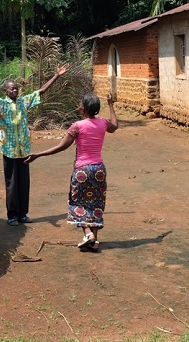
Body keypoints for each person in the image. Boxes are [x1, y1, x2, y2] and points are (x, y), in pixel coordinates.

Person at [24, 93, 118, 252]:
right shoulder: (103, 123)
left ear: (84, 109)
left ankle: (88, 234)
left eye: (80, 103)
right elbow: (114, 126)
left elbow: (60, 147)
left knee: (78, 202)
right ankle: (94, 242)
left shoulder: (77, 126)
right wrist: (111, 104)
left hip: (82, 170)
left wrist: (38, 155)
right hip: (99, 169)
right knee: (96, 203)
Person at [0, 64, 69, 226]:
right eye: (11, 89)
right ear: (5, 91)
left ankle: (23, 214)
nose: (14, 91)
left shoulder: (24, 102)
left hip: (24, 150)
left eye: (16, 89)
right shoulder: (2, 104)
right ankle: (12, 215)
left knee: (24, 184)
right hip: (9, 150)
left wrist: (57, 75)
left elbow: (41, 91)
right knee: (12, 184)